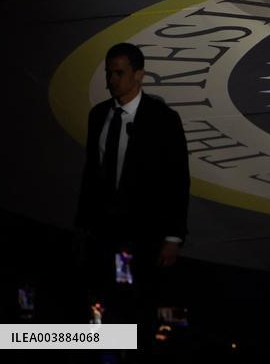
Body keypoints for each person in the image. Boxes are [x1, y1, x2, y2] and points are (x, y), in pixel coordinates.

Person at [75, 42, 189, 348]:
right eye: (109, 73)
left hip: (143, 234)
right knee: (102, 301)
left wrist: (174, 237)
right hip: (102, 234)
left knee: (138, 306)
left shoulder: (162, 119)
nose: (112, 80)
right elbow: (92, 173)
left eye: (119, 73)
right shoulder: (99, 115)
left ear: (139, 75)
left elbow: (177, 179)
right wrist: (83, 226)